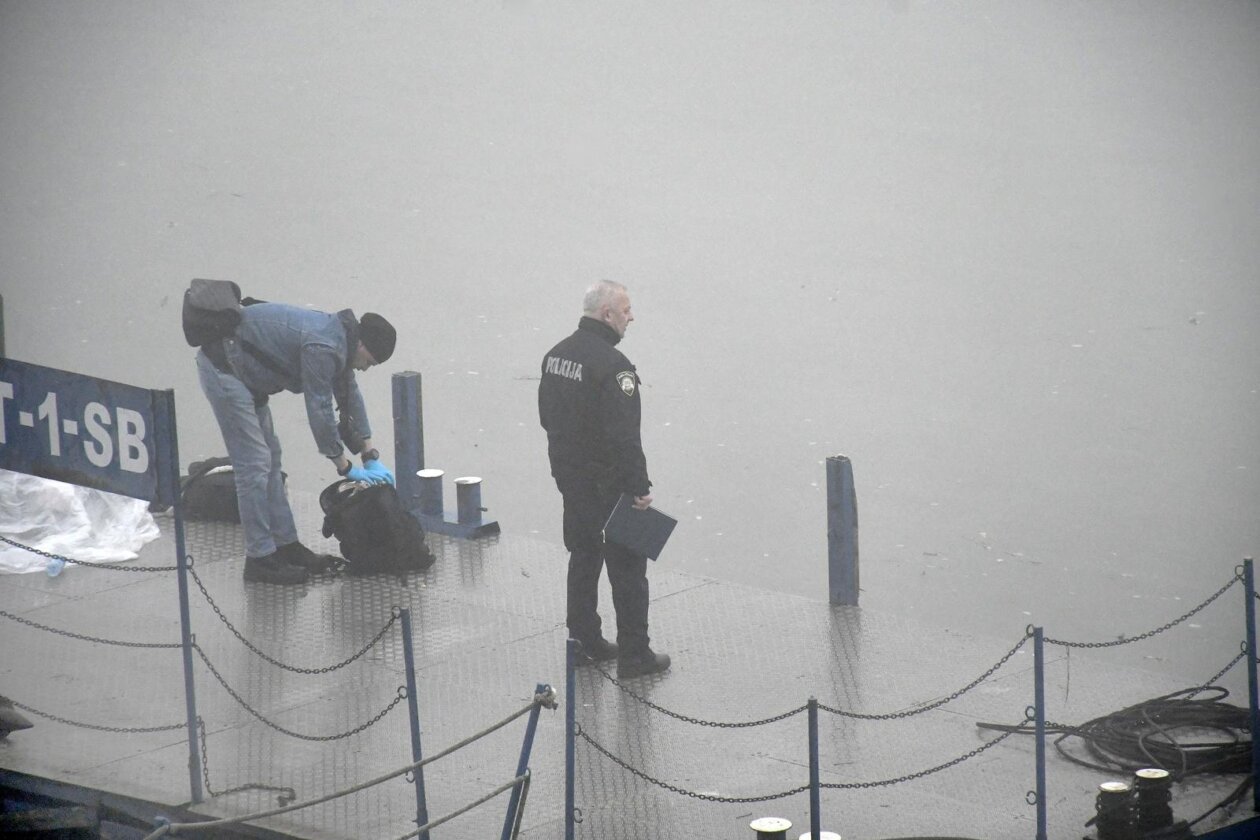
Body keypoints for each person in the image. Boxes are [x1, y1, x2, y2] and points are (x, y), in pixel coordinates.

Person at [196, 302, 398, 584]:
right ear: (362, 345)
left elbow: (352, 395)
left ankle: (286, 545)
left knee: (271, 459)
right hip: (224, 370)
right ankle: (259, 559)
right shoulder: (324, 347)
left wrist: (369, 454)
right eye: (370, 362)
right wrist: (345, 467)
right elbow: (320, 409)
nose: (366, 368)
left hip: (248, 375)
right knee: (254, 465)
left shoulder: (342, 339)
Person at [538, 280, 670, 679]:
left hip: (571, 479)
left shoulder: (555, 356)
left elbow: (548, 419)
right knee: (628, 570)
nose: (632, 318)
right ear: (607, 314)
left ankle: (584, 642)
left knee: (583, 556)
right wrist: (639, 487)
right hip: (609, 485)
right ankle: (635, 654)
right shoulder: (615, 368)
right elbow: (624, 436)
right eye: (626, 310)